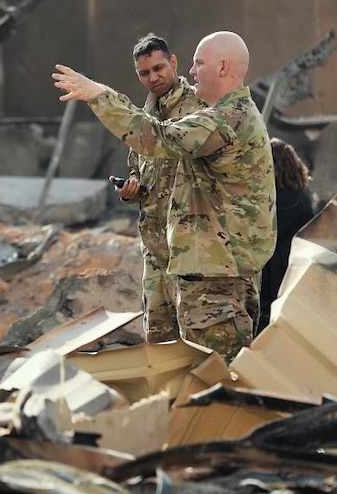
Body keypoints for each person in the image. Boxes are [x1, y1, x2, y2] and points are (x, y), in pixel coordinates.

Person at [51, 31, 277, 363]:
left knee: (213, 378)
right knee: (183, 371)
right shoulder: (221, 113)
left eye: (199, 63)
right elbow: (155, 165)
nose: (193, 71)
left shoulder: (225, 117)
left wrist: (99, 95)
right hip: (197, 267)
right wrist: (135, 191)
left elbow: (158, 138)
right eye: (145, 72)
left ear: (224, 67)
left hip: (217, 275)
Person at [111, 34, 204, 344]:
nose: (153, 77)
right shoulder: (145, 115)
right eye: (144, 73)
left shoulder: (198, 106)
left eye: (159, 68)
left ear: (173, 63)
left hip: (190, 252)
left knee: (195, 343)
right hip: (154, 252)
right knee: (160, 342)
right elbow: (137, 165)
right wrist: (129, 190)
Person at [257, 137, 315, 334]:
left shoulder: (291, 197)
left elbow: (267, 232)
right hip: (284, 262)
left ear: (278, 165)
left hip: (281, 264)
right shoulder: (292, 192)